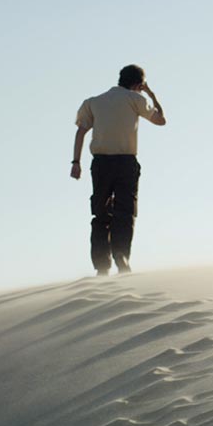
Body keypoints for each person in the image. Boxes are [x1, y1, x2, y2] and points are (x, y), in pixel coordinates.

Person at [70, 64, 166, 276]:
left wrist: (76, 162)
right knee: (125, 212)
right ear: (138, 84)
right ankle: (122, 258)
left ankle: (101, 267)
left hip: (101, 163)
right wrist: (151, 94)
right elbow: (161, 120)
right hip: (125, 163)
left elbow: (81, 132)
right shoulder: (136, 100)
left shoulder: (94, 102)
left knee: (100, 213)